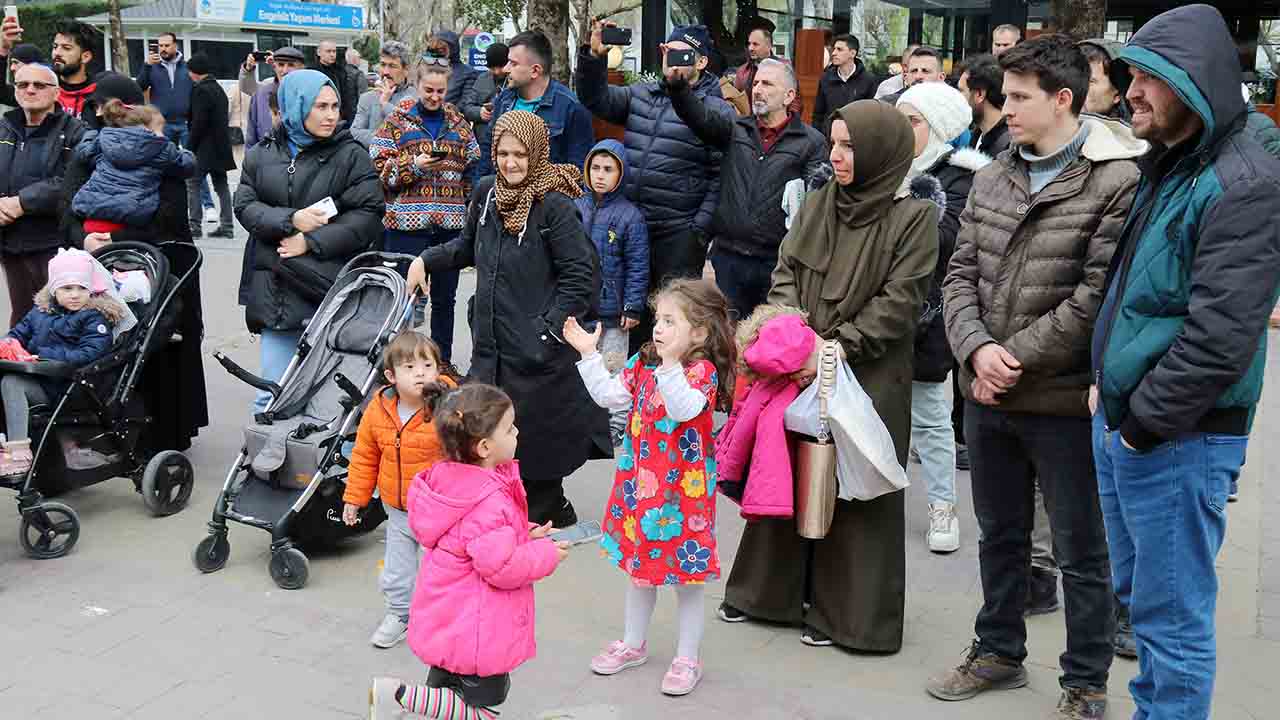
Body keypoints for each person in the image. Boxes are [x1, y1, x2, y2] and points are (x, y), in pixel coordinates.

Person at [930, 35, 1146, 720]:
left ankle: (1085, 682)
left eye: (1020, 97)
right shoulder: (994, 173)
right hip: (985, 393)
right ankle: (997, 651)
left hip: (1059, 400)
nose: (1005, 107)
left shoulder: (1117, 181)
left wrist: (1008, 356)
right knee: (1000, 535)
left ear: (1062, 99)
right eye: (1005, 94)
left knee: (1081, 551)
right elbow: (959, 273)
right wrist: (973, 350)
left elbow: (1094, 298)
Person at [1092, 6, 1280, 719]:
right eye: (1131, 75)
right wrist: (1104, 391)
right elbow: (1134, 289)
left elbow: (1220, 336)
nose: (1130, 91)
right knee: (1145, 608)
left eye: (1147, 78)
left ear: (1194, 81)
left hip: (1177, 436)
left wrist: (1141, 427)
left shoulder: (1245, 180)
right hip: (1132, 424)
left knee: (1171, 625)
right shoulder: (1175, 159)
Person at [718, 100, 939, 652]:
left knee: (859, 486)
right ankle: (768, 595)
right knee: (789, 471)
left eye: (850, 147)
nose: (837, 157)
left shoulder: (914, 218)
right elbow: (786, 270)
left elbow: (901, 301)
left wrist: (836, 349)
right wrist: (795, 336)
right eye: (834, 144)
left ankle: (851, 617)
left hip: (872, 370)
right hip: (801, 361)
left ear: (882, 154)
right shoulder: (819, 203)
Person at [405, 110, 610, 528]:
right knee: (492, 433)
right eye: (503, 153)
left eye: (520, 154)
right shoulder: (486, 194)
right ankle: (531, 508)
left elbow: (580, 277)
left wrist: (546, 331)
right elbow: (466, 247)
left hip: (538, 352)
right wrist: (425, 259)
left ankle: (546, 508)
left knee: (535, 441)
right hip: (493, 346)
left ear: (535, 153)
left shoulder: (554, 206)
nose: (511, 163)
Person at [565, 278, 735, 697]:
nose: (658, 329)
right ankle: (633, 643)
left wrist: (672, 364)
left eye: (670, 321)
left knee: (685, 577)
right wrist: (589, 354)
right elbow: (609, 396)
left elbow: (684, 408)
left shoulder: (702, 373)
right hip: (642, 489)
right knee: (640, 571)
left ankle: (687, 657)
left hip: (683, 495)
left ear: (699, 332)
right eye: (658, 319)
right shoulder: (644, 363)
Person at [368, 382, 570, 720]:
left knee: (445, 694)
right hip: (478, 626)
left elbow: (476, 540)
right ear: (485, 447)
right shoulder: (487, 500)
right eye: (510, 427)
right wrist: (546, 555)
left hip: (451, 618)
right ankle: (399, 697)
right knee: (484, 705)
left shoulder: (451, 482)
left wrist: (525, 534)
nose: (517, 431)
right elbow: (502, 566)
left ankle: (411, 701)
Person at [60, 72, 208, 453]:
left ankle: (161, 437)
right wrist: (85, 239)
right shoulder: (93, 150)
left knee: (158, 350)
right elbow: (68, 205)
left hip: (158, 265)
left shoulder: (155, 149)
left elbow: (172, 215)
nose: (97, 112)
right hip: (101, 263)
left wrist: (113, 240)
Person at [233, 69, 383, 414]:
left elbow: (369, 214)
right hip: (275, 287)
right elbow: (244, 206)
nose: (331, 115)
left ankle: (332, 466)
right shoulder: (261, 153)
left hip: (327, 287)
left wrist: (311, 241)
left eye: (335, 106)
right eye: (321, 107)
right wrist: (291, 220)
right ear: (295, 107)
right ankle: (265, 466)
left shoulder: (351, 155)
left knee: (332, 399)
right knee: (271, 394)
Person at [577, 23, 731, 353]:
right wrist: (593, 58)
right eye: (666, 51)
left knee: (671, 319)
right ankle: (634, 393)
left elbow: (720, 172)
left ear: (700, 62)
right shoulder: (642, 94)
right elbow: (596, 99)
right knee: (630, 313)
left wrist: (698, 230)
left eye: (680, 52)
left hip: (678, 232)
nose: (669, 57)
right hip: (633, 224)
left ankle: (667, 394)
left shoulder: (716, 106)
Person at [895, 80, 990, 554]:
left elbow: (945, 241)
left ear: (939, 126)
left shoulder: (961, 176)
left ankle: (942, 506)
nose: (902, 128)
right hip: (880, 312)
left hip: (930, 315)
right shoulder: (884, 166)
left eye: (913, 121)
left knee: (932, 420)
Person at [667, 57, 827, 321]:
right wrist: (677, 87)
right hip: (730, 259)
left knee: (769, 343)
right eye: (756, 83)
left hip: (776, 264)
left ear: (789, 96)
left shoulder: (811, 142)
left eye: (767, 84)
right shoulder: (735, 129)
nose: (757, 90)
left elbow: (815, 204)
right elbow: (699, 118)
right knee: (728, 341)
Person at [342, 331, 455, 650]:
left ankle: (442, 620)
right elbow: (364, 456)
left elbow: (469, 456)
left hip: (440, 514)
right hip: (399, 512)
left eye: (427, 364)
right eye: (409, 367)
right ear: (391, 376)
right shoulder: (378, 411)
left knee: (442, 572)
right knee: (396, 572)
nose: (420, 372)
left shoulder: (449, 408)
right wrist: (355, 497)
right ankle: (399, 614)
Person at [370, 57, 480, 364]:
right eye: (428, 90)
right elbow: (382, 171)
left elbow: (473, 165)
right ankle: (399, 363)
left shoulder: (458, 124)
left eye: (440, 91)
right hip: (405, 228)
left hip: (449, 227)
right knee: (403, 300)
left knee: (445, 300)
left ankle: (441, 364)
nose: (434, 96)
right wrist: (413, 166)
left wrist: (468, 206)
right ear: (417, 86)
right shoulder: (395, 121)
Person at [0, 249, 128, 476]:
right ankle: (5, 443)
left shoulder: (94, 317)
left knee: (12, 383)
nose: (75, 294)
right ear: (53, 290)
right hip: (43, 378)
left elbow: (92, 352)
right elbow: (18, 333)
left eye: (82, 288)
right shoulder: (40, 312)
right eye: (67, 288)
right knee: (5, 376)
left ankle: (19, 452)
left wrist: (46, 356)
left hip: (72, 386)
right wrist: (8, 344)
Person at [573, 139, 649, 446]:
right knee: (582, 367)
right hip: (580, 311)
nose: (600, 175)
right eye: (595, 168)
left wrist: (633, 305)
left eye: (608, 169)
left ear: (621, 174)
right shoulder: (575, 207)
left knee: (614, 370)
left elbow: (638, 264)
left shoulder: (631, 216)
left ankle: (616, 427)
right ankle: (583, 422)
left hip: (615, 314)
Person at [0, 62, 86, 327]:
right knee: (23, 318)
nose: (30, 90)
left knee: (57, 319)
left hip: (54, 241)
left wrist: (22, 202)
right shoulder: (4, 128)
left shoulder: (75, 131)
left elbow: (74, 179)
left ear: (56, 92)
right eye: (23, 85)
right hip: (11, 242)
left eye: (39, 85)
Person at [70, 100, 193, 235]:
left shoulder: (103, 141)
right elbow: (186, 165)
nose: (163, 135)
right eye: (160, 130)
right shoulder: (161, 148)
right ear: (146, 129)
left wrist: (90, 136)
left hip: (92, 213)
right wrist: (185, 152)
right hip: (130, 216)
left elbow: (83, 152)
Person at [480, 30, 593, 177]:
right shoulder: (503, 100)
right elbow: (487, 153)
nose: (506, 69)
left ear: (535, 70)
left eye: (513, 63)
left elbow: (578, 170)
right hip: (500, 195)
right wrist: (479, 193)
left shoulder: (571, 108)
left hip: (547, 198)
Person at [185, 54, 236, 240]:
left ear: (195, 72)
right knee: (221, 185)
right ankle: (227, 225)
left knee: (193, 183)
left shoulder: (200, 91)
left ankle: (195, 226)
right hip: (221, 146)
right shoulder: (219, 89)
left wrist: (190, 146)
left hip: (204, 147)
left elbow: (199, 122)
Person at [350, 40, 415, 147]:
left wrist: (385, 104)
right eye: (383, 65)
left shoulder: (416, 98)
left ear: (406, 70)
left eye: (392, 66)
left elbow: (412, 133)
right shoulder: (367, 98)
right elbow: (355, 132)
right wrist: (386, 139)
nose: (385, 72)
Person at [239, 46, 306, 147]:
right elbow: (251, 136)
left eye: (291, 65)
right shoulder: (261, 94)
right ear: (274, 67)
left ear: (302, 68)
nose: (285, 70)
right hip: (266, 157)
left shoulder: (309, 93)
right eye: (281, 65)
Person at [812, 34, 878, 135]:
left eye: (839, 49)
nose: (834, 53)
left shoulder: (868, 80)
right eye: (834, 49)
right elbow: (818, 114)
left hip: (856, 137)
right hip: (829, 138)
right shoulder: (825, 78)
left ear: (852, 53)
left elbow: (872, 116)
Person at [733, 25, 801, 115]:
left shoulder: (784, 67)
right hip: (750, 124)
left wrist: (789, 123)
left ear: (769, 46)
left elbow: (795, 101)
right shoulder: (742, 71)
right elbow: (735, 100)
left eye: (755, 44)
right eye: (749, 44)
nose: (750, 48)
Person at [958, 53, 1010, 160]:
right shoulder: (976, 136)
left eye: (961, 91)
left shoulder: (1008, 148)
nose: (956, 98)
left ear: (979, 94)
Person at [461, 43, 508, 147]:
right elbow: (467, 107)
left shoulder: (516, 80)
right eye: (492, 68)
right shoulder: (482, 79)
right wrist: (479, 112)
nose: (497, 72)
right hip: (483, 141)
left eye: (501, 67)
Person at [1077, 40, 1130, 120]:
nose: (1074, 87)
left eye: (1090, 81)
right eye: (1074, 78)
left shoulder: (1130, 132)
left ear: (1117, 95)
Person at [311, 40, 361, 124]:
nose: (332, 54)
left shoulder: (341, 71)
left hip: (340, 116)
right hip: (318, 114)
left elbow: (346, 95)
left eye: (334, 51)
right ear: (319, 53)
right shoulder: (312, 71)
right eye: (328, 51)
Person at [432, 31, 479, 109]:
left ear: (452, 49)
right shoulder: (430, 69)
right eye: (436, 49)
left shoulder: (468, 73)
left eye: (442, 49)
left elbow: (465, 103)